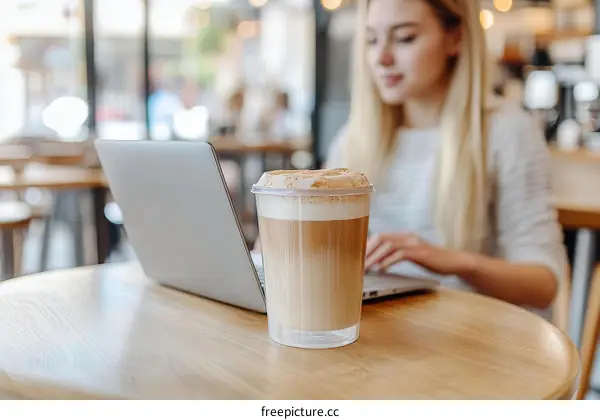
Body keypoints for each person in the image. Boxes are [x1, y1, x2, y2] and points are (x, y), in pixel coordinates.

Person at [323, 0, 567, 313]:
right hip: (386, 329)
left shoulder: (507, 132)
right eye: (371, 40)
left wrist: (459, 263)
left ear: (456, 38)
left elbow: (544, 285)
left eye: (405, 38)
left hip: (477, 338)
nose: (381, 58)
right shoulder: (353, 139)